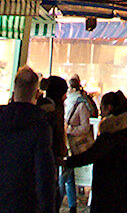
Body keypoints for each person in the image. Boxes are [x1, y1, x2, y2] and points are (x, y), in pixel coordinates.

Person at [0, 64, 55, 213]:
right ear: (36, 94)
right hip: (24, 205)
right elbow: (45, 175)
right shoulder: (40, 127)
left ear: (14, 91)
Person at [63, 91, 127, 213]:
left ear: (108, 107)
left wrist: (68, 162)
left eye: (101, 108)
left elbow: (93, 154)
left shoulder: (112, 131)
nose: (100, 113)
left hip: (109, 193)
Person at [38, 76, 71, 211]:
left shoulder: (45, 107)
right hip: (48, 160)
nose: (65, 98)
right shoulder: (51, 111)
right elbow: (53, 138)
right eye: (64, 94)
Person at [65, 76, 94, 155]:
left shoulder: (81, 105)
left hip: (77, 145)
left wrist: (69, 129)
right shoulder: (66, 103)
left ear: (74, 90)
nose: (67, 91)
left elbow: (85, 127)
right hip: (67, 144)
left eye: (68, 88)